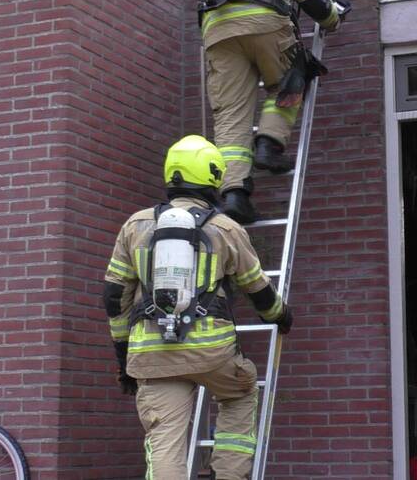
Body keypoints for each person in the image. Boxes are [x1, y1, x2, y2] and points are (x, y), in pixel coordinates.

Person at [102, 135, 294, 480]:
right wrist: (280, 315)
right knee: (240, 396)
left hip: (152, 356)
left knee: (164, 441)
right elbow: (258, 288)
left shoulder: (135, 226)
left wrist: (123, 359)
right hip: (212, 352)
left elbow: (113, 297)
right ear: (212, 177)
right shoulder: (226, 228)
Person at [198, 0, 348, 223]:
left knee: (230, 115)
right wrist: (334, 17)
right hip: (263, 18)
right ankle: (269, 144)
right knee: (292, 78)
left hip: (216, 31)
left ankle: (235, 195)